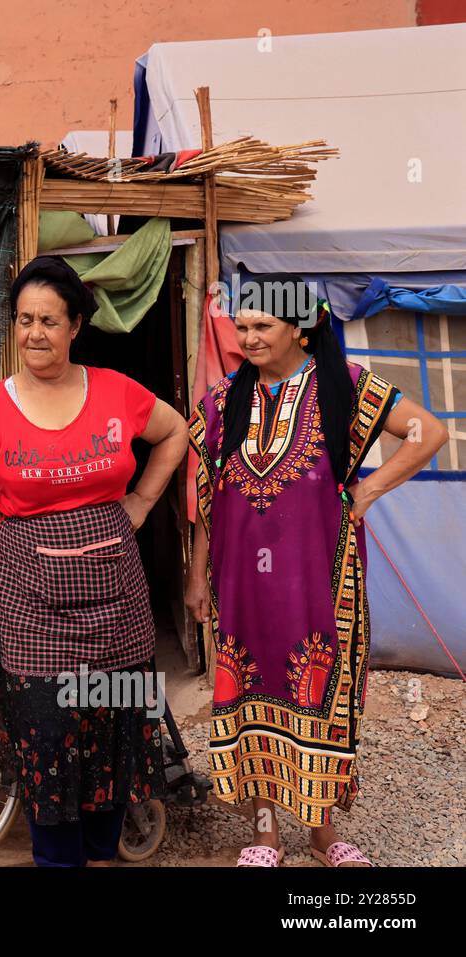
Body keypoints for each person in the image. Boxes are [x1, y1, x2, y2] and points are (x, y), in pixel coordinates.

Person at [185, 276, 445, 867]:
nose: (247, 338)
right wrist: (197, 576)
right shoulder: (222, 402)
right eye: (241, 327)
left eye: (261, 327)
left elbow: (429, 431)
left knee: (321, 696)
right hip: (241, 587)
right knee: (249, 694)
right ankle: (265, 831)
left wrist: (370, 489)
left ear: (299, 329)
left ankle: (323, 832)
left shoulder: (345, 389)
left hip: (321, 582)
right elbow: (205, 499)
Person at [0, 255, 188, 867]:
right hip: (30, 590)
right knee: (47, 729)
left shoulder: (116, 391)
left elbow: (176, 431)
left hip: (115, 590)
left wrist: (140, 502)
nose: (34, 335)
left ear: (76, 325)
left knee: (109, 724)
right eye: (24, 320)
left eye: (48, 321)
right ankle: (56, 859)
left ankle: (102, 853)